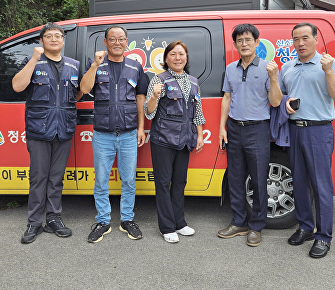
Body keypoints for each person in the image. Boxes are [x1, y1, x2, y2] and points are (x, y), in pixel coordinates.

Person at [12, 22, 82, 244]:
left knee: (56, 179)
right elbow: (17, 86)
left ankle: (53, 218)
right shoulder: (33, 62)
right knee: (38, 178)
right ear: (41, 41)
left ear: (63, 41)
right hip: (39, 130)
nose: (54, 39)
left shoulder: (73, 65)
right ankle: (34, 223)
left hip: (64, 130)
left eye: (58, 36)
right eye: (49, 36)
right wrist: (33, 59)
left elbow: (76, 95)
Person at [280, 22, 335, 258]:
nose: (300, 43)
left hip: (319, 130)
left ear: (316, 39)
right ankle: (306, 227)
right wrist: (286, 101)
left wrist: (327, 71)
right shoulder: (287, 67)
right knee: (299, 182)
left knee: (321, 185)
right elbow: (281, 96)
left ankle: (323, 236)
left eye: (305, 38)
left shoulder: (328, 63)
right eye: (296, 39)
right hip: (295, 129)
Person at [80, 25, 149, 243]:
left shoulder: (135, 67)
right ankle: (102, 221)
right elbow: (83, 88)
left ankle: (127, 219)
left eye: (121, 39)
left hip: (128, 134)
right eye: (112, 39)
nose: (117, 42)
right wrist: (94, 65)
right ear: (105, 42)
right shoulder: (98, 65)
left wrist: (140, 128)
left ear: (126, 42)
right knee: (101, 180)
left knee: (128, 180)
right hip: (103, 135)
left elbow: (140, 100)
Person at [217, 24, 282, 247]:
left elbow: (275, 102)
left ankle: (256, 226)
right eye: (240, 41)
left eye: (248, 40)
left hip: (257, 129)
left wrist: (273, 78)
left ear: (257, 42)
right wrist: (222, 128)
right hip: (234, 128)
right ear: (235, 44)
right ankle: (238, 222)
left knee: (258, 179)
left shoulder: (268, 68)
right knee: (235, 178)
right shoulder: (230, 68)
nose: (244, 44)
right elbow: (227, 98)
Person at [144, 41, 205, 243]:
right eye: (173, 54)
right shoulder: (158, 79)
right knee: (163, 183)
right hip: (163, 138)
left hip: (186, 138)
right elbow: (149, 111)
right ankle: (167, 226)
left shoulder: (194, 81)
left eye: (181, 54)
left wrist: (200, 134)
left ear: (186, 58)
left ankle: (180, 223)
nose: (177, 58)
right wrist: (154, 96)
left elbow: (198, 111)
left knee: (179, 182)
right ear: (166, 59)